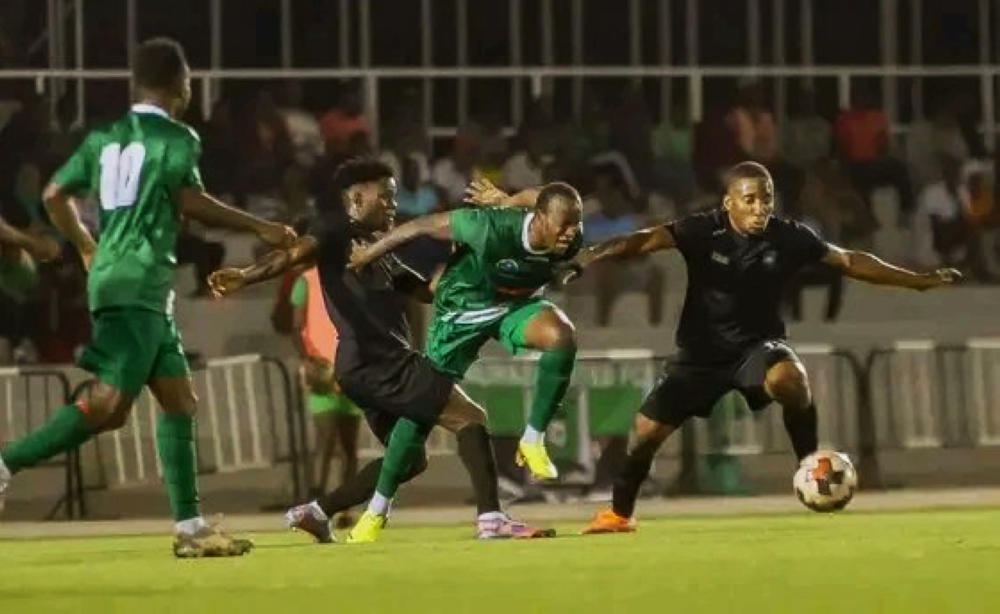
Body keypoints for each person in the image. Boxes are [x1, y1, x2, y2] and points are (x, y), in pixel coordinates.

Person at [0, 38, 296, 558]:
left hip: (137, 283)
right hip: (135, 282)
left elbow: (52, 195)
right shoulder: (177, 137)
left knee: (179, 400)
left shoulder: (104, 137)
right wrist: (261, 226)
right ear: (182, 83)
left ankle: (189, 528)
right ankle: (4, 463)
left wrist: (86, 244)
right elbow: (191, 201)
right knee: (108, 405)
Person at [557, 161, 960, 534]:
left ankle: (810, 467)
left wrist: (917, 280)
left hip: (756, 348)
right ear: (729, 201)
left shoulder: (789, 236)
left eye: (766, 197)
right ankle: (618, 514)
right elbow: (645, 240)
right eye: (749, 199)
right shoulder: (703, 230)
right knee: (645, 433)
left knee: (791, 378)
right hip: (699, 355)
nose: (759, 207)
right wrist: (591, 255)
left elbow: (850, 261)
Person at [208, 158, 553, 543]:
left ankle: (317, 512)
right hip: (377, 360)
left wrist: (466, 250)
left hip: (369, 365)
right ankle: (491, 519)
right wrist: (244, 275)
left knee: (410, 459)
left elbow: (427, 291)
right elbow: (292, 255)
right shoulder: (334, 228)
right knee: (470, 417)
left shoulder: (378, 249)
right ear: (356, 198)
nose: (393, 204)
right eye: (385, 196)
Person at [349, 179, 584, 481]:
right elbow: (421, 227)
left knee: (561, 336)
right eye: (563, 225)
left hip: (510, 308)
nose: (570, 233)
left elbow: (542, 196)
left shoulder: (566, 227)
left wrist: (509, 200)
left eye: (573, 225)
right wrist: (367, 256)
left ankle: (532, 440)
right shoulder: (486, 227)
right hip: (461, 312)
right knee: (424, 406)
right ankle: (372, 510)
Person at [288, 252, 362, 524]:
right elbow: (296, 327)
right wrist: (307, 360)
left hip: (349, 369)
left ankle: (344, 508)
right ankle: (316, 505)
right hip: (322, 371)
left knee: (347, 445)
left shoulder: (352, 280)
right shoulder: (306, 281)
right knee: (327, 441)